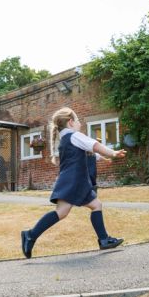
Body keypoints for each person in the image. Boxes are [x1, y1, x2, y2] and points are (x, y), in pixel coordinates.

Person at [21, 107, 126, 259]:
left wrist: (103, 157)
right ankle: (30, 235)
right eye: (77, 121)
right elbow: (94, 145)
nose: (79, 124)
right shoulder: (74, 135)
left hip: (73, 181)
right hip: (73, 181)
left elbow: (89, 152)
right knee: (63, 211)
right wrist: (113, 153)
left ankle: (104, 240)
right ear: (70, 122)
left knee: (94, 205)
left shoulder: (65, 139)